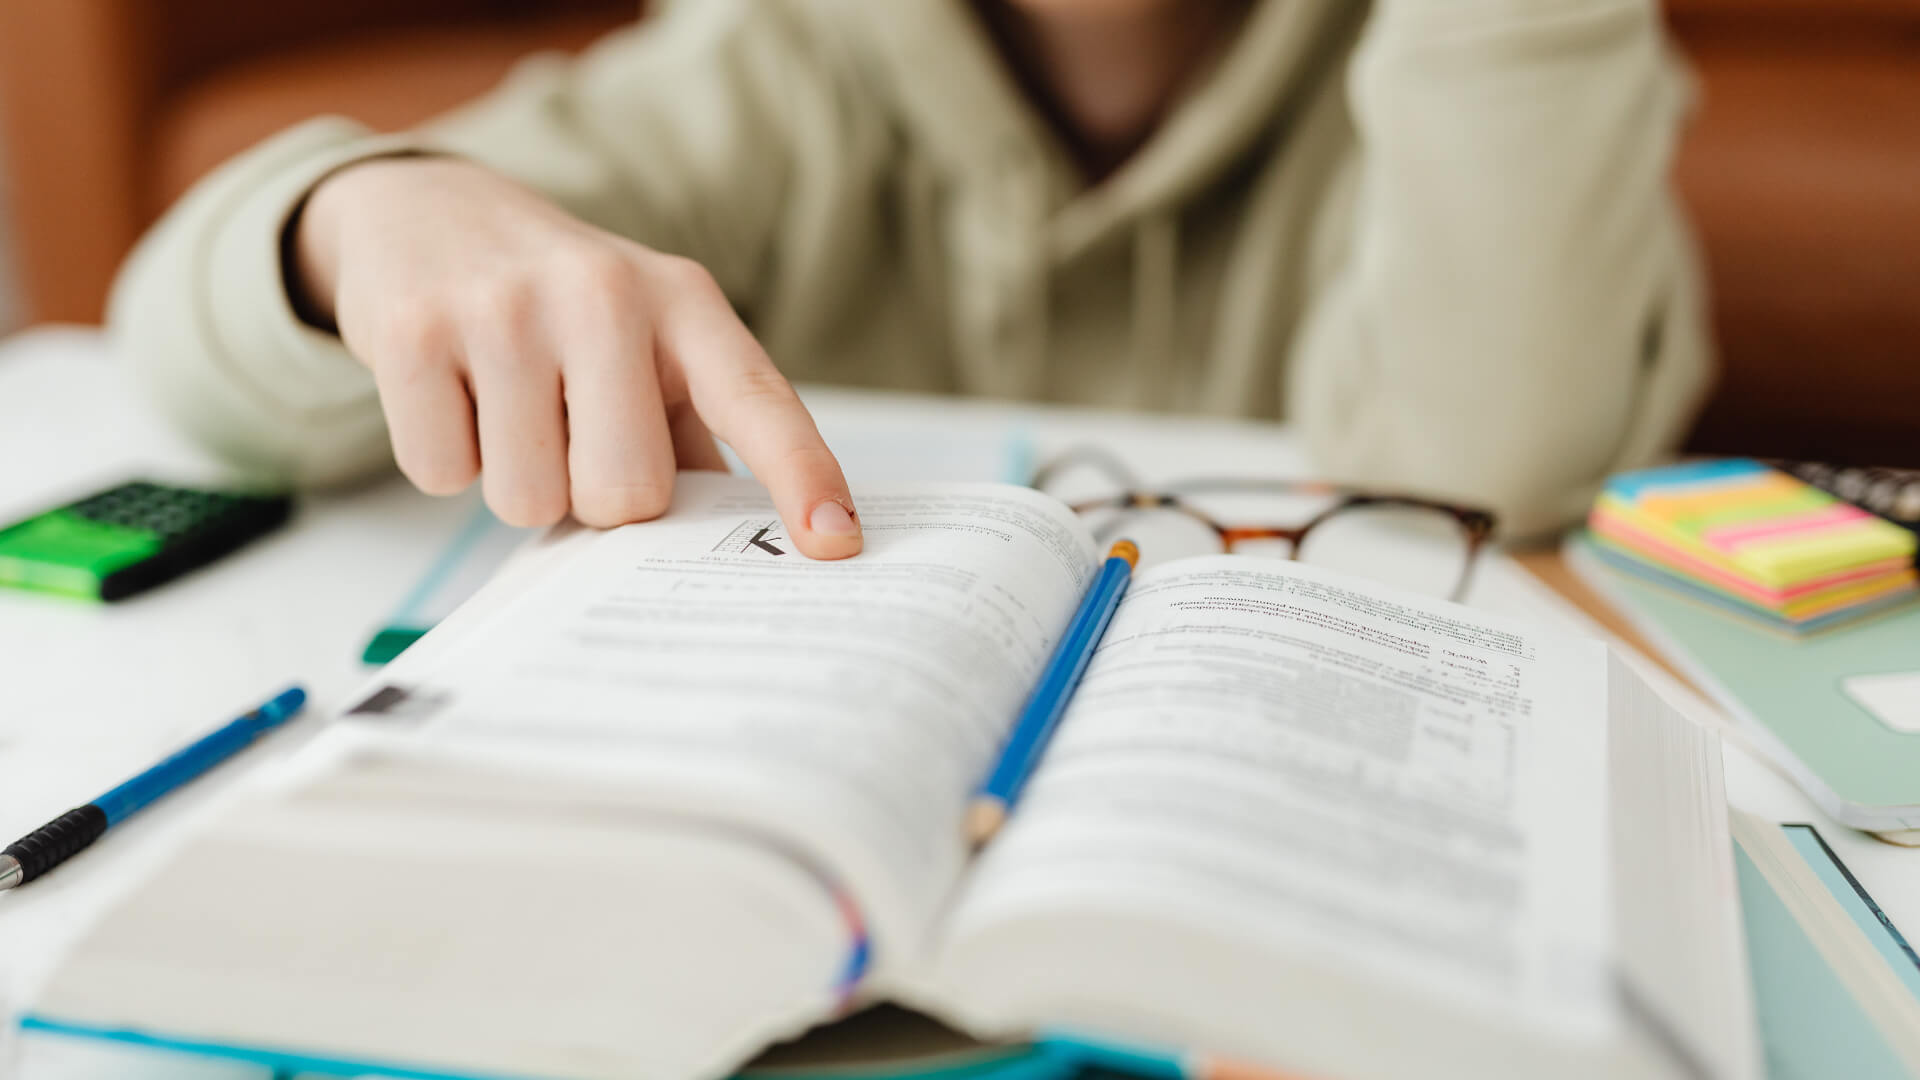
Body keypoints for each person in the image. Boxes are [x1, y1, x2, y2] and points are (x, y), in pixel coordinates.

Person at [111, 0, 1711, 559]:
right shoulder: (781, 62)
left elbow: (1484, 465)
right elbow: (182, 348)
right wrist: (353, 219)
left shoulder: (1483, 70)